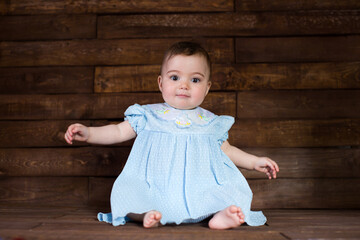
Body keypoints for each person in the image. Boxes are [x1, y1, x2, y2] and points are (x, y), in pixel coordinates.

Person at [64, 41, 279, 230]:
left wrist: (254, 162)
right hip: (155, 184)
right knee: (131, 195)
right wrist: (89, 133)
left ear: (207, 88)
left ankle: (221, 216)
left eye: (195, 80)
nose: (183, 85)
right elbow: (119, 131)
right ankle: (147, 215)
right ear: (161, 83)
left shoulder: (210, 122)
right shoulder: (148, 115)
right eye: (174, 77)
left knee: (228, 191)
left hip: (199, 187)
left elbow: (227, 150)